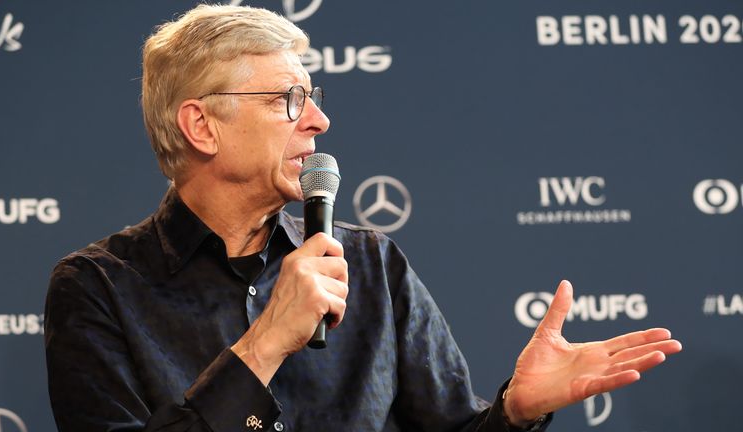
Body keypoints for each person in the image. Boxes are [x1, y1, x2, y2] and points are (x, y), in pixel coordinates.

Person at [44, 5, 682, 432]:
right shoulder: (97, 288)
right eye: (288, 100)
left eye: (313, 100)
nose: (318, 122)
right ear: (201, 125)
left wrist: (514, 411)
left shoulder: (371, 263)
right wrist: (265, 343)